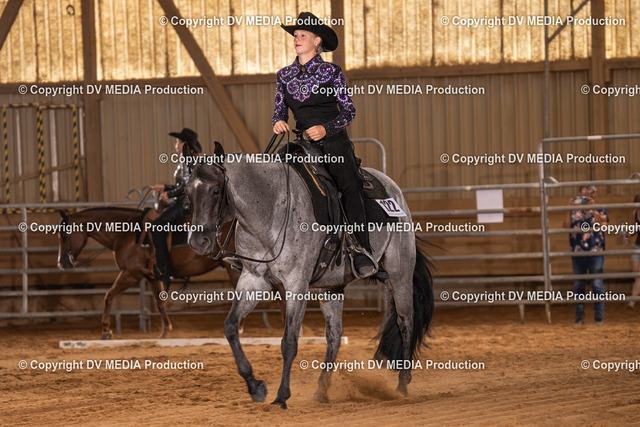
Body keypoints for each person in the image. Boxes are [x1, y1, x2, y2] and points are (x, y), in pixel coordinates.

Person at [272, 11, 377, 278]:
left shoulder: (332, 72)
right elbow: (279, 111)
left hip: (333, 141)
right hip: (301, 143)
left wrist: (326, 129)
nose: (296, 39)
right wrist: (278, 122)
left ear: (317, 40)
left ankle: (361, 249)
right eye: (295, 35)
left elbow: (349, 111)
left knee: (349, 183)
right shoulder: (284, 75)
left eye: (302, 35)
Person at [151, 128, 202, 288]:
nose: (175, 144)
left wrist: (170, 194)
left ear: (184, 144)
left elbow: (186, 186)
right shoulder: (188, 160)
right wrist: (165, 188)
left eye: (178, 141)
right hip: (184, 201)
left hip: (185, 204)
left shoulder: (189, 161)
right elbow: (182, 185)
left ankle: (163, 269)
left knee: (157, 227)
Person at [562, 185, 608, 324]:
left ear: (594, 194)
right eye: (583, 192)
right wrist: (568, 209)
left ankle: (598, 317)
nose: (585, 195)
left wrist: (593, 209)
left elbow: (604, 225)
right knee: (578, 285)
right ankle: (579, 317)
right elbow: (566, 226)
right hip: (578, 251)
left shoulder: (600, 208)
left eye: (588, 192)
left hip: (595, 250)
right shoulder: (574, 210)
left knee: (597, 284)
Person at [628, 193, 640, 309]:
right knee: (636, 273)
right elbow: (634, 228)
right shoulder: (635, 213)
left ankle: (632, 300)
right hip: (637, 245)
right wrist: (629, 233)